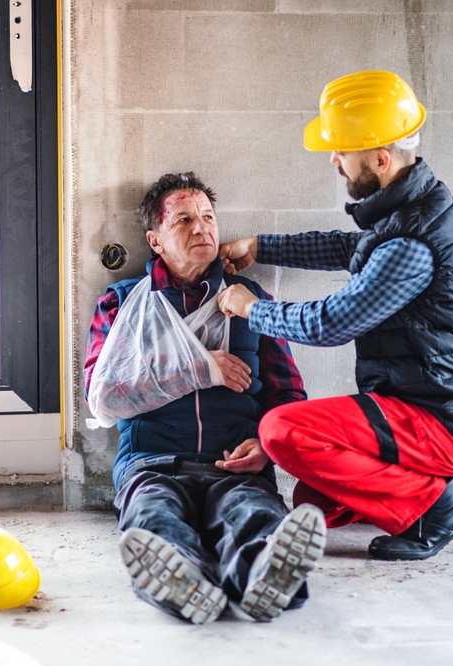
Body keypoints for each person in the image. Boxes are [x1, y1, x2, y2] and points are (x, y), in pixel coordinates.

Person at [217, 70, 453, 562]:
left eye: (341, 150)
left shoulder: (411, 241)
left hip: (443, 415)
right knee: (314, 501)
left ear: (380, 158)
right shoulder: (415, 204)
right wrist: (261, 246)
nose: (334, 161)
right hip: (436, 400)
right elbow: (354, 247)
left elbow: (330, 324)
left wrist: (251, 308)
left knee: (281, 433)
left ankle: (443, 507)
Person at [84, 172, 326, 624]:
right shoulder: (120, 304)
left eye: (209, 217)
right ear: (155, 241)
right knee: (154, 518)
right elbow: (102, 397)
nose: (203, 228)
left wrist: (266, 442)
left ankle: (263, 576)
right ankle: (183, 581)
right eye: (184, 220)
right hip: (152, 462)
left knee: (254, 514)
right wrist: (198, 366)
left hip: (234, 460)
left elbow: (288, 394)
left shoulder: (251, 300)